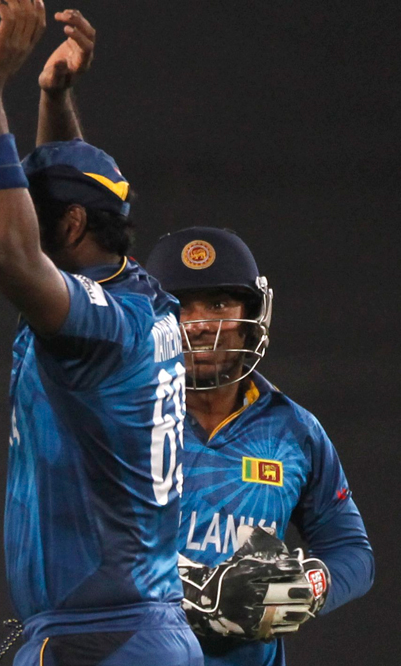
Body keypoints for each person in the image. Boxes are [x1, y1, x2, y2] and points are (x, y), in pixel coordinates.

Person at [0, 3, 202, 664]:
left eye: (35, 222)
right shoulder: (141, 302)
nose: (18, 230)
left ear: (67, 228)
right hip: (130, 631)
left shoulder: (99, 326)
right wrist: (53, 97)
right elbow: (69, 197)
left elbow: (11, 258)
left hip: (103, 638)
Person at [144, 227, 374, 665]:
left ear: (252, 313)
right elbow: (71, 544)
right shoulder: (120, 421)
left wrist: (311, 586)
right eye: (181, 307)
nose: (200, 325)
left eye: (218, 304)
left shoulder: (294, 432)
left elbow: (352, 552)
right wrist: (190, 592)